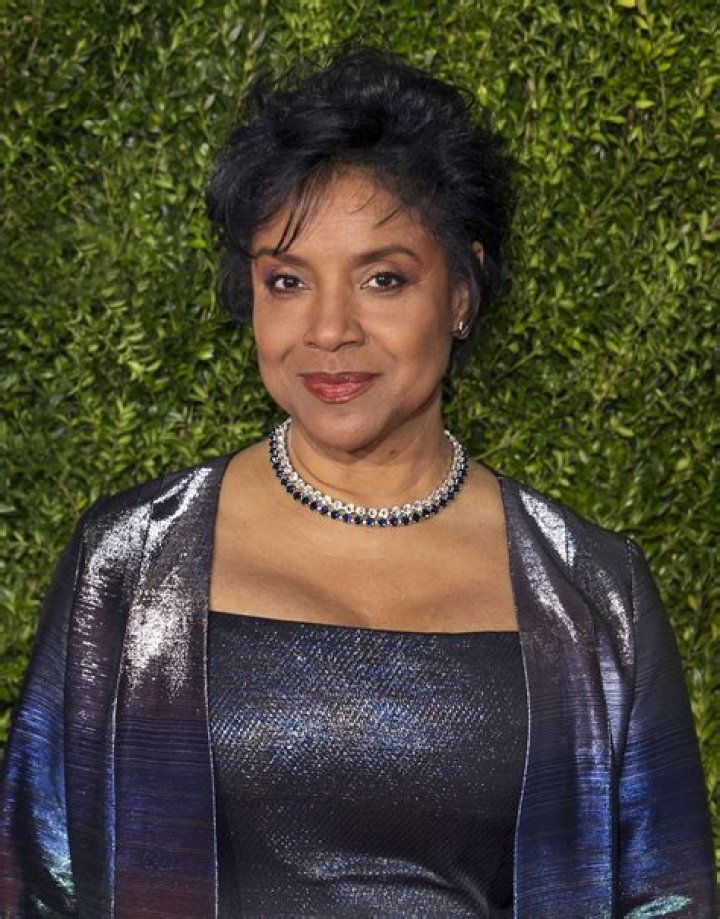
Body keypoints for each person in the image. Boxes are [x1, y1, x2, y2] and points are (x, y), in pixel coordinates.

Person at [0, 45, 715, 919]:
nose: (329, 329)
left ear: (462, 291)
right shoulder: (129, 561)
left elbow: (669, 899)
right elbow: (35, 885)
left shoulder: (595, 593)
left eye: (383, 279)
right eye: (287, 281)